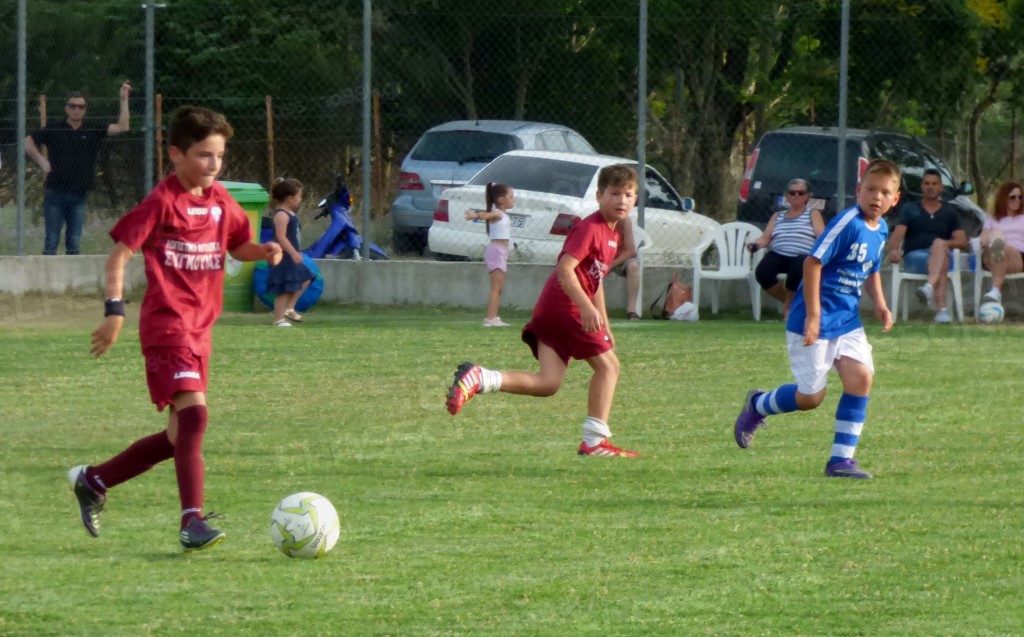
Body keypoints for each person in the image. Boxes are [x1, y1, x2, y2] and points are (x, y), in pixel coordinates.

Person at [69, 106, 283, 551]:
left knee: (177, 438)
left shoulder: (220, 199)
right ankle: (192, 522)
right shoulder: (162, 202)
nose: (213, 164)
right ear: (175, 154)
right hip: (168, 326)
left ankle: (94, 480)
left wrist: (262, 250)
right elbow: (119, 256)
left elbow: (236, 245)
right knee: (196, 417)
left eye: (219, 156)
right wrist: (115, 311)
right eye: (204, 155)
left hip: (200, 331)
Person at [445, 164, 639, 457]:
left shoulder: (613, 234)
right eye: (614, 193)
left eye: (628, 194)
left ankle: (480, 377)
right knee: (609, 367)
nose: (621, 200)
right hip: (566, 308)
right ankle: (594, 442)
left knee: (548, 383)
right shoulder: (591, 228)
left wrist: (604, 324)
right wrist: (585, 307)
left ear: (635, 199)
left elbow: (595, 279)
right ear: (599, 196)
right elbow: (564, 270)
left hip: (552, 308)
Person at [733, 158, 898, 479]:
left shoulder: (881, 229)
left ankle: (840, 461)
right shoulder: (847, 223)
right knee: (810, 398)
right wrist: (813, 315)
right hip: (813, 321)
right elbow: (812, 263)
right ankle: (757, 405)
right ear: (859, 190)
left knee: (861, 379)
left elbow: (872, 268)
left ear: (896, 198)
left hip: (846, 321)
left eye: (885, 192)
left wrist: (880, 303)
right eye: (871, 189)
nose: (877, 197)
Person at [25, 81, 132, 255]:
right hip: (55, 192)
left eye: (81, 107)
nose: (77, 110)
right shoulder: (54, 128)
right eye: (72, 106)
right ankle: (49, 273)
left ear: (85, 109)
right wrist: (42, 162)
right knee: (51, 241)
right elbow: (28, 141)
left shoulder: (92, 128)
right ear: (66, 108)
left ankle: (71, 274)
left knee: (74, 242)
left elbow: (123, 126)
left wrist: (124, 100)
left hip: (79, 194)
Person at [885, 168, 968, 323]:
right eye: (927, 183)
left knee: (939, 248)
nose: (930, 187)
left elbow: (962, 241)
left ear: (941, 187)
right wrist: (893, 251)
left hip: (940, 257)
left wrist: (943, 244)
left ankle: (929, 289)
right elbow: (897, 236)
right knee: (941, 258)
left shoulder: (949, 212)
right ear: (922, 186)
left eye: (934, 184)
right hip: (915, 258)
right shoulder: (910, 209)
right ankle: (941, 310)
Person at [748, 178, 825, 317]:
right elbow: (765, 238)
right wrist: (755, 245)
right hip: (779, 253)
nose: (796, 196)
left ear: (807, 196)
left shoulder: (813, 214)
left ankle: (789, 309)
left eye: (800, 193)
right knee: (762, 272)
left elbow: (821, 236)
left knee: (797, 268)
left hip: (802, 254)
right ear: (787, 196)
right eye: (792, 193)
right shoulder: (778, 215)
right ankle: (793, 304)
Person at [266, 178, 316, 327]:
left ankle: (289, 308)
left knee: (306, 277)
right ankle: (278, 319)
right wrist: (293, 253)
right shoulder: (281, 215)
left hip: (291, 256)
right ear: (289, 198)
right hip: (283, 257)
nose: (300, 199)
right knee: (284, 287)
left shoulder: (290, 213)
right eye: (299, 196)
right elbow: (281, 237)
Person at [465, 182, 515, 327]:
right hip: (496, 252)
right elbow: (487, 215)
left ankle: (494, 317)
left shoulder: (503, 215)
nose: (513, 200)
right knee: (496, 287)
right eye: (511, 197)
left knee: (499, 288)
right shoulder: (497, 213)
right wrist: (475, 215)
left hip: (501, 252)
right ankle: (490, 319)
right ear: (501, 199)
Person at [978, 180, 1024, 304]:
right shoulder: (992, 219)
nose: (1017, 200)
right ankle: (995, 291)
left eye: (1020, 197)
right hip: (993, 257)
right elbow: (983, 240)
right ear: (1003, 198)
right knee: (996, 238)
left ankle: (995, 290)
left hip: (1016, 257)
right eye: (1013, 197)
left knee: (999, 243)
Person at [609, 216, 641, 320]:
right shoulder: (597, 220)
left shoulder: (625, 220)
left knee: (633, 267)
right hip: (603, 258)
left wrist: (610, 265)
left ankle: (632, 310)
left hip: (621, 258)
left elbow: (631, 252)